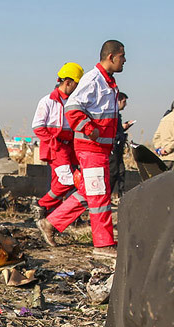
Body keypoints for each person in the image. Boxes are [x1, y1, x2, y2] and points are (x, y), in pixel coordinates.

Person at [65, 39, 126, 251]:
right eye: (122, 56)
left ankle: (51, 223)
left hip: (99, 148)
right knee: (99, 195)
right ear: (111, 57)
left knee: (88, 192)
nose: (124, 61)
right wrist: (89, 129)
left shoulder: (106, 81)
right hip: (91, 148)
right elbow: (71, 108)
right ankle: (103, 244)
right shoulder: (93, 79)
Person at [32, 62, 88, 245]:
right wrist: (54, 143)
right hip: (56, 147)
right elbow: (38, 127)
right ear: (69, 82)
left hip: (70, 147)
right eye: (77, 84)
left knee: (61, 183)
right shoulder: (48, 101)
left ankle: (49, 221)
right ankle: (42, 206)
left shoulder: (73, 102)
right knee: (68, 181)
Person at [109, 92, 134, 197]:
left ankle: (121, 194)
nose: (125, 104)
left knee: (121, 172)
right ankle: (106, 196)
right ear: (118, 101)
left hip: (118, 148)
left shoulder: (117, 115)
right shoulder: (112, 114)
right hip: (113, 148)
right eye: (124, 101)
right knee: (113, 172)